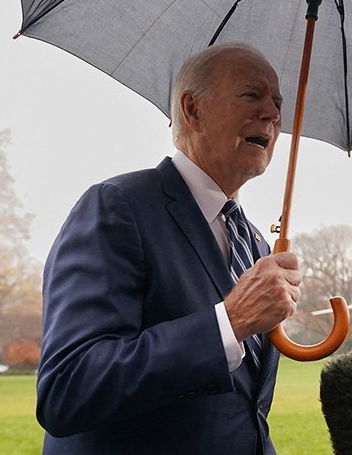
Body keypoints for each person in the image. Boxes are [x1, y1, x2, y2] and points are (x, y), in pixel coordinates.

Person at [36, 43, 302, 454]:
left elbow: (245, 414)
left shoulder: (256, 244)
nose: (272, 113)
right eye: (252, 95)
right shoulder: (119, 206)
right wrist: (229, 322)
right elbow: (68, 388)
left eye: (278, 103)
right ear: (193, 110)